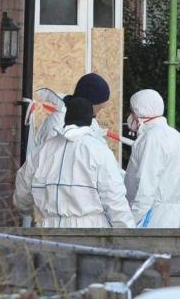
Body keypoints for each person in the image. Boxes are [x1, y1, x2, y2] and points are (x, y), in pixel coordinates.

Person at [14, 96, 135, 228]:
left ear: (66, 118)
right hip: (90, 232)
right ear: (90, 120)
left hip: (48, 232)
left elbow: (21, 195)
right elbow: (114, 199)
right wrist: (126, 234)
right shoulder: (99, 151)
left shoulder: (41, 152)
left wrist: (25, 211)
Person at [124, 89, 180, 228]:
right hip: (172, 216)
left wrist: (130, 222)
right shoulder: (174, 134)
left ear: (140, 112)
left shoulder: (151, 138)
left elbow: (146, 185)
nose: (130, 116)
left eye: (132, 111)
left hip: (153, 216)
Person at [30, 72, 111, 151]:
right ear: (90, 102)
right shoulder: (57, 122)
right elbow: (45, 159)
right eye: (101, 102)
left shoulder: (91, 122)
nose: (104, 106)